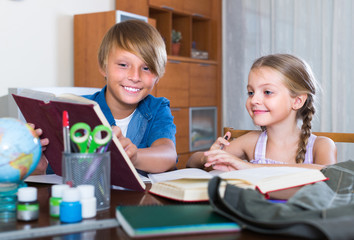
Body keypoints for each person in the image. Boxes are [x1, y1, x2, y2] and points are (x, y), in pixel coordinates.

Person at [32, 20, 177, 175]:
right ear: (103, 66)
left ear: (158, 76)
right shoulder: (77, 109)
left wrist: (134, 157)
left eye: (147, 68)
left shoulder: (158, 108)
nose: (135, 77)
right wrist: (38, 167)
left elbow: (168, 154)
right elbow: (58, 171)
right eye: (123, 65)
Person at [187, 54, 336, 171]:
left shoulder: (321, 145)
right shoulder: (251, 141)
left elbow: (328, 176)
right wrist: (208, 158)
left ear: (297, 101)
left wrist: (250, 168)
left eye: (267, 92)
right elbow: (191, 162)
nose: (254, 100)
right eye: (251, 92)